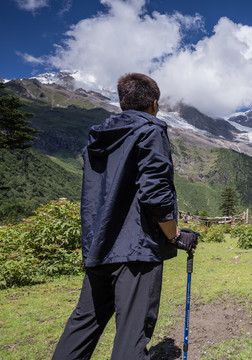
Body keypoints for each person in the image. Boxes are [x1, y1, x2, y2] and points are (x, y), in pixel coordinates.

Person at [52, 73, 198, 360]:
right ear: (155, 103)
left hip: (99, 245)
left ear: (123, 103)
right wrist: (175, 235)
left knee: (84, 325)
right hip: (137, 250)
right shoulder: (150, 130)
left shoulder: (99, 136)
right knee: (131, 336)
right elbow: (155, 193)